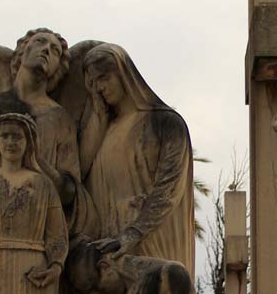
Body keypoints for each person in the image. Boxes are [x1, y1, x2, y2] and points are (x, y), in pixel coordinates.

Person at [69, 43, 194, 293]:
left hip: (152, 239)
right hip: (110, 250)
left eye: (104, 78)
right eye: (94, 83)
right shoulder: (103, 133)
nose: (101, 87)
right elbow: (77, 174)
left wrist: (131, 235)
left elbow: (168, 191)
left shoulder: (165, 123)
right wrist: (97, 113)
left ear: (124, 74)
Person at [0, 28, 99, 239]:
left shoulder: (60, 119)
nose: (46, 50)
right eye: (40, 42)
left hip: (38, 230)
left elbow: (70, 192)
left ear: (58, 68)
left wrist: (36, 162)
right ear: (22, 50)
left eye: (55, 51)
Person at [0, 113, 68, 294]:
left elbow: (57, 233)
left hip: (33, 272)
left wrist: (56, 267)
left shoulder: (43, 184)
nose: (11, 141)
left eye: (17, 136)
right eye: (5, 136)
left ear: (29, 143)